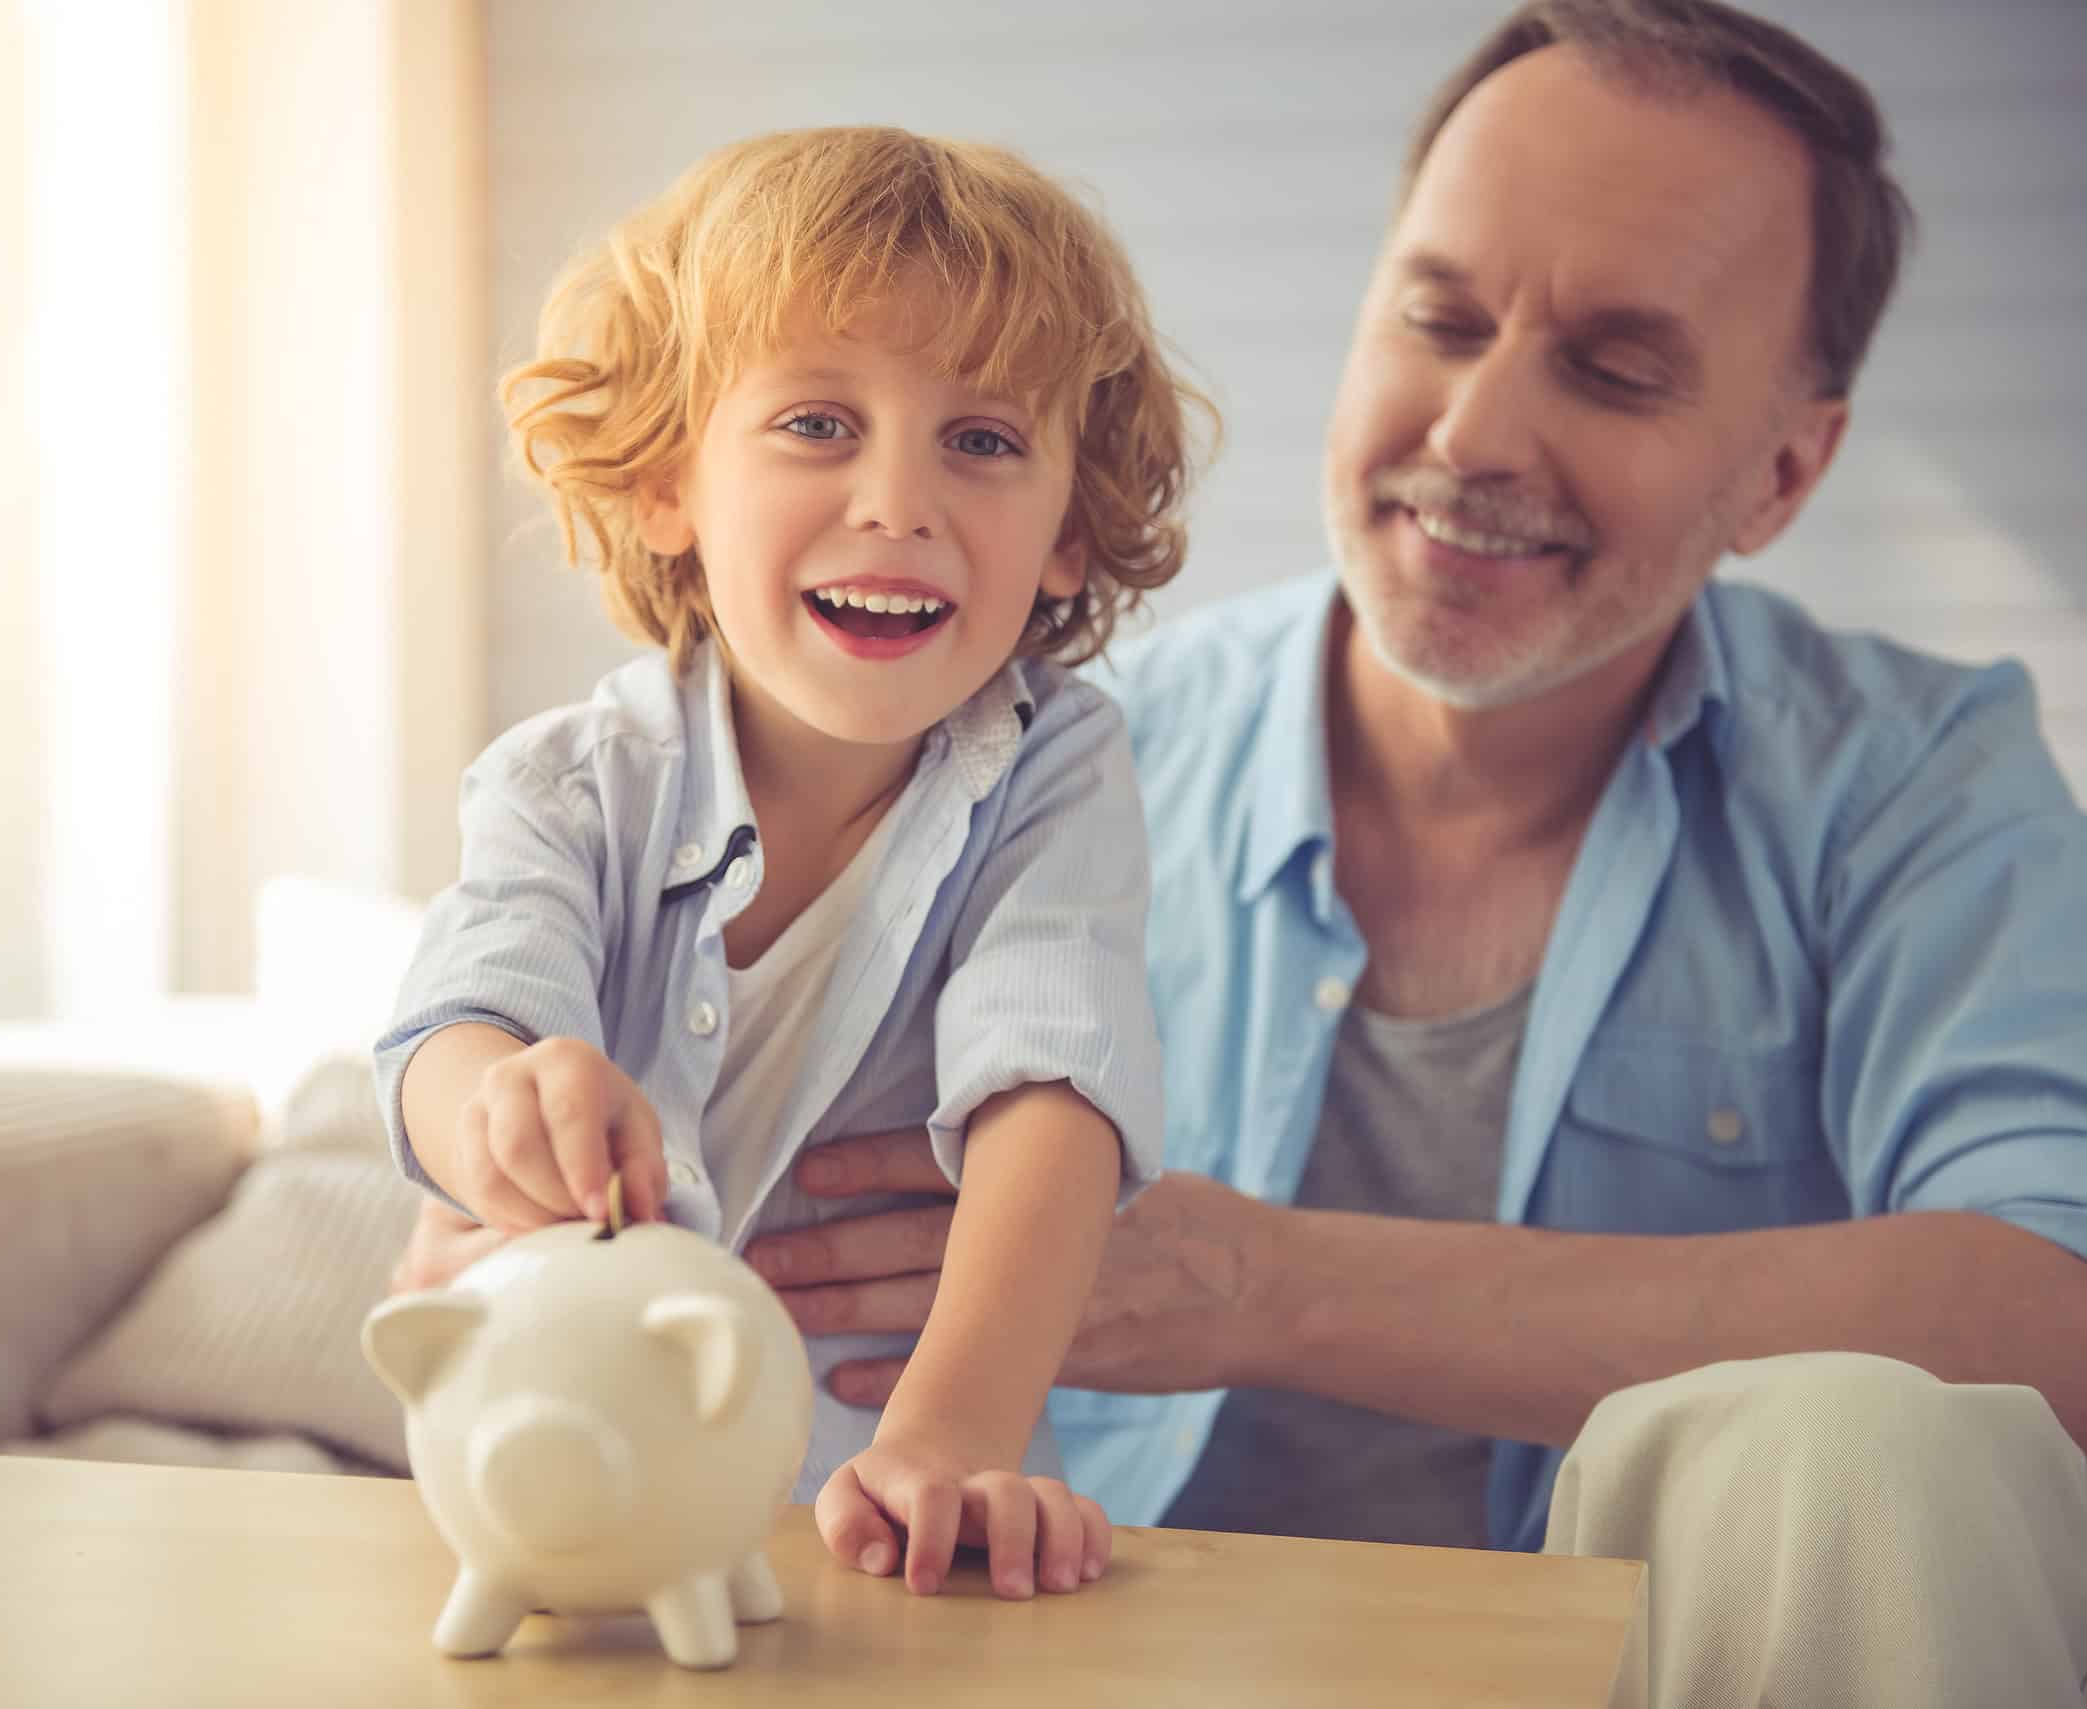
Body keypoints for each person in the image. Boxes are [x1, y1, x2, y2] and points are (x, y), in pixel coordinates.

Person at [396, 3, 2087, 1702]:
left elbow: (2055, 1316)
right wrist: (523, 1210)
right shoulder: (1002, 737)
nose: (1477, 431)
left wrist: (1272, 1283)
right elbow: (518, 1042)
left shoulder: (1909, 783)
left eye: (1616, 367)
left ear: (1785, 468)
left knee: (1870, 1431)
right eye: (1438, 318)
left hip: (1633, 1653)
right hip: (1069, 1640)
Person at [376, 127, 1216, 1603]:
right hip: (570, 1491)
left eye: (983, 439)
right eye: (820, 423)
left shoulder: (1060, 773)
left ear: (1069, 534)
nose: (898, 499)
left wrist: (953, 1435)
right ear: (665, 485)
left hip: (887, 1528)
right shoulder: (569, 783)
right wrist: (498, 1109)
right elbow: (461, 1016)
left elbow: (1054, 1091)